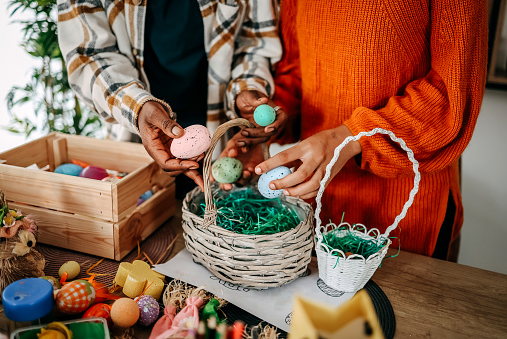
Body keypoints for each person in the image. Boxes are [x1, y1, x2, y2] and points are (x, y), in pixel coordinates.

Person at [227, 0, 488, 260]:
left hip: (404, 217)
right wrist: (273, 121)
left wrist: (348, 138)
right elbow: (296, 72)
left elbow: (450, 97)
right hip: (317, 208)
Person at [56, 0, 284, 197]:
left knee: (217, 208)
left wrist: (246, 92)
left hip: (226, 142)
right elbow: (89, 56)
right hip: (139, 138)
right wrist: (139, 108)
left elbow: (253, 46)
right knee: (149, 212)